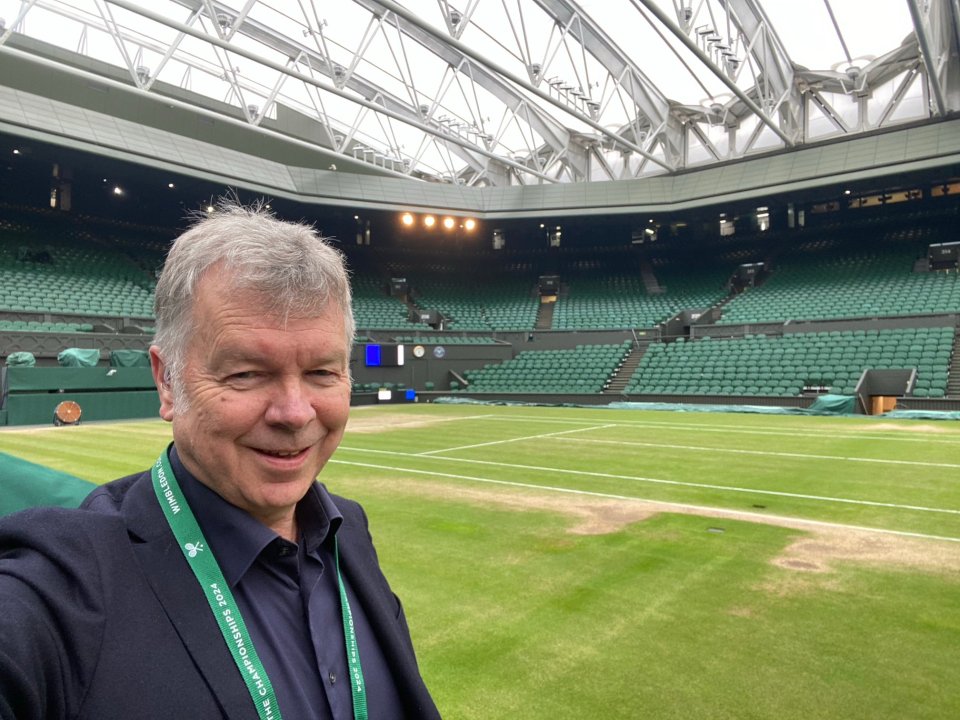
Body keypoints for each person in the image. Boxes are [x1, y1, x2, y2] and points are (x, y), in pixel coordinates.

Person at [0, 200, 441, 720]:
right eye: (246, 374)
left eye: (323, 372)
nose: (295, 413)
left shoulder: (350, 532)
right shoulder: (62, 588)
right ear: (167, 381)